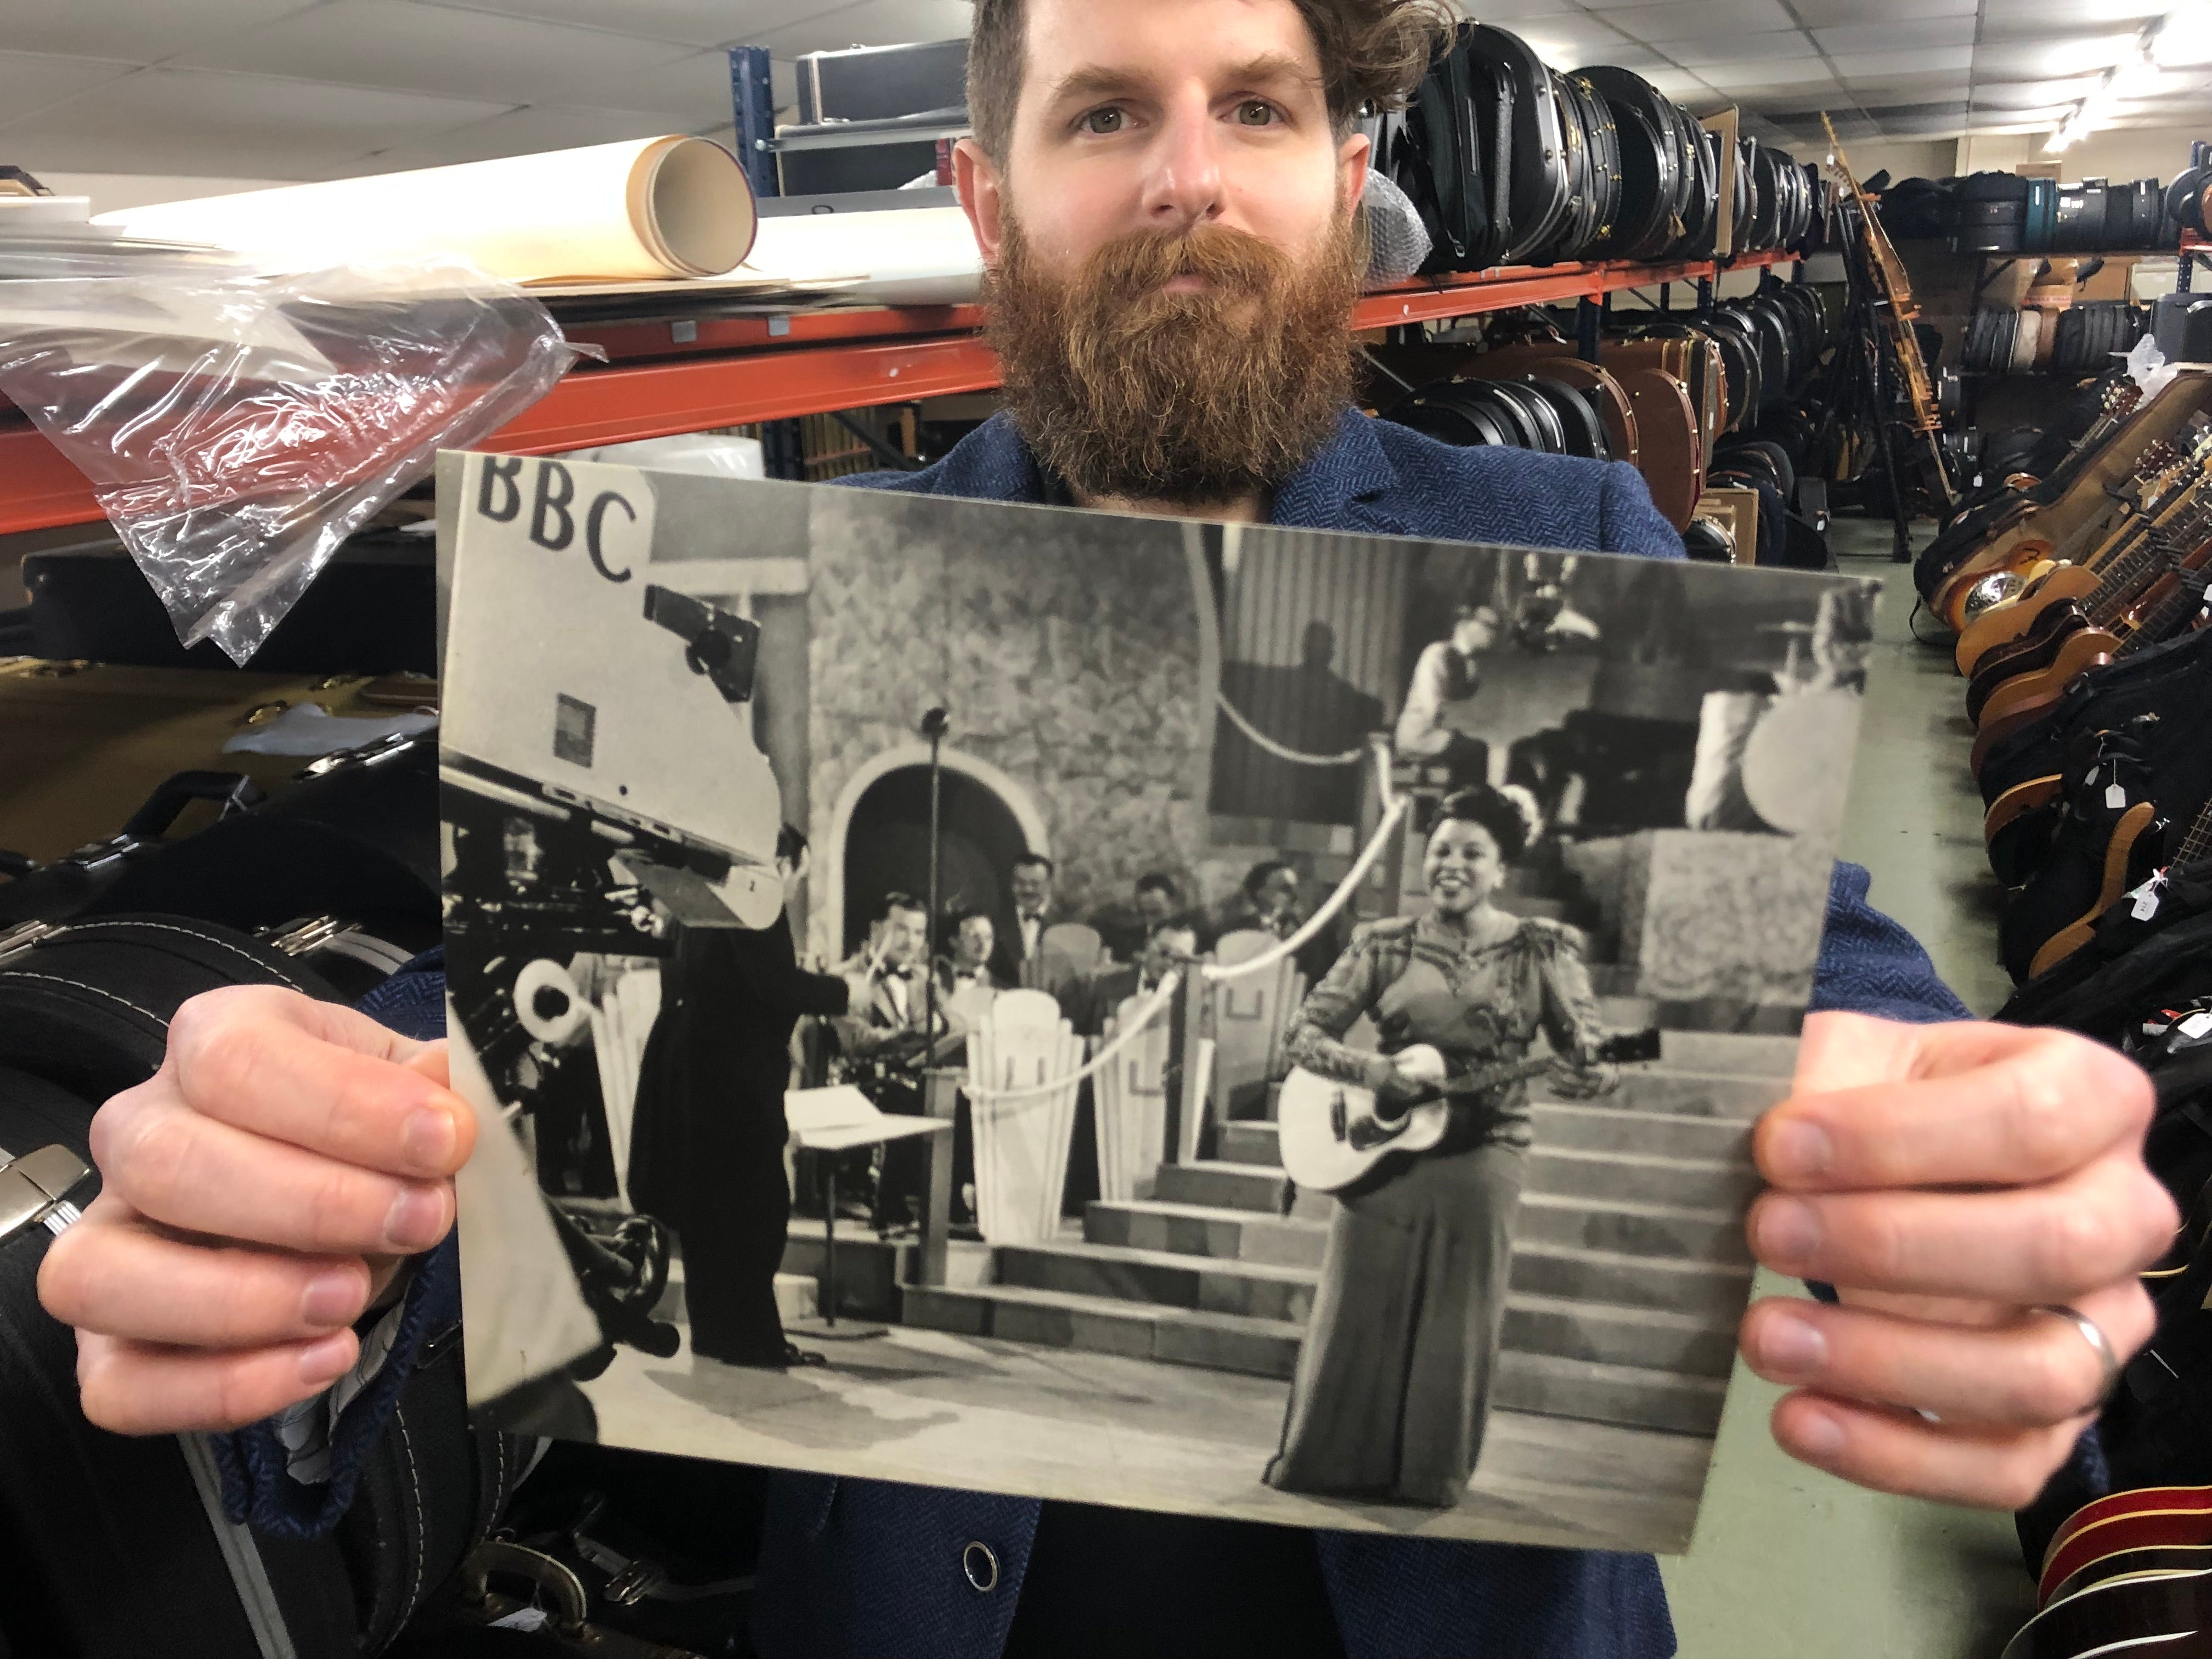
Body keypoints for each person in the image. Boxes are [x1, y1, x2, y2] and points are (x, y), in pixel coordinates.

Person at [38, 3, 2175, 1656]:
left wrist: (1939, 1119)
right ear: (989, 198)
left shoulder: (1567, 545)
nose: (1187, 178)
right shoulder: (773, 611)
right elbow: (487, 1043)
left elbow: (1814, 955)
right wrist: (309, 1193)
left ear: (1349, 181)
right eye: (1102, 113)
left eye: (1255, 106)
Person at [1267, 786, 1595, 1504]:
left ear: (1500, 869)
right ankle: (1331, 1465)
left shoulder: (1541, 949)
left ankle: (1427, 1476)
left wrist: (1589, 1071)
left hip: (1485, 1153)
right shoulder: (1383, 943)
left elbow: (1586, 1051)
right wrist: (1374, 1071)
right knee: (1358, 1303)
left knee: (1458, 1315)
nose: (1451, 863)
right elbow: (1301, 1036)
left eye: (1472, 853)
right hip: (1383, 1149)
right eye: (1440, 849)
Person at [625, 826, 849, 1371]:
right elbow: (773, 988)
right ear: (781, 863)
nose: (794, 888)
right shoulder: (757, 901)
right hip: (735, 1078)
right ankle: (752, 1341)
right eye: (799, 872)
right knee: (758, 1210)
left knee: (708, 1215)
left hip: (689, 1070)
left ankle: (715, 1334)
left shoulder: (693, 899)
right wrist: (843, 992)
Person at [1394, 598, 1504, 791]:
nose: (1493, 633)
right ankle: (1465, 809)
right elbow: (1434, 710)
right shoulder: (1437, 654)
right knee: (1484, 752)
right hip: (1424, 735)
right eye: (1488, 626)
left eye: (1497, 628)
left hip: (1449, 733)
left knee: (1500, 751)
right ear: (1464, 625)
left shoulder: (1472, 663)